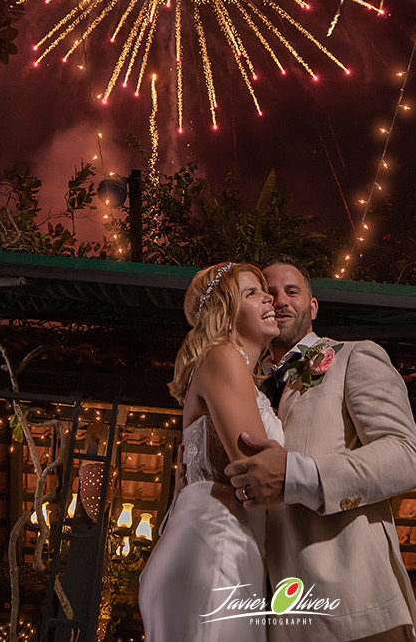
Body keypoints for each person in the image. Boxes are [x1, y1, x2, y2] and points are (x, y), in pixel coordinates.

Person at [225, 257, 416, 642]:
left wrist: (299, 477)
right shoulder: (243, 387)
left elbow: (406, 457)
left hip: (356, 610)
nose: (279, 300)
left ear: (313, 308)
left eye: (292, 291)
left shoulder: (354, 357)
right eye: (270, 292)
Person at [138, 262, 284, 642]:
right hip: (217, 547)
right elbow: (256, 470)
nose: (269, 296)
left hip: (221, 544)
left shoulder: (236, 375)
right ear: (225, 313)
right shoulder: (222, 357)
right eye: (252, 293)